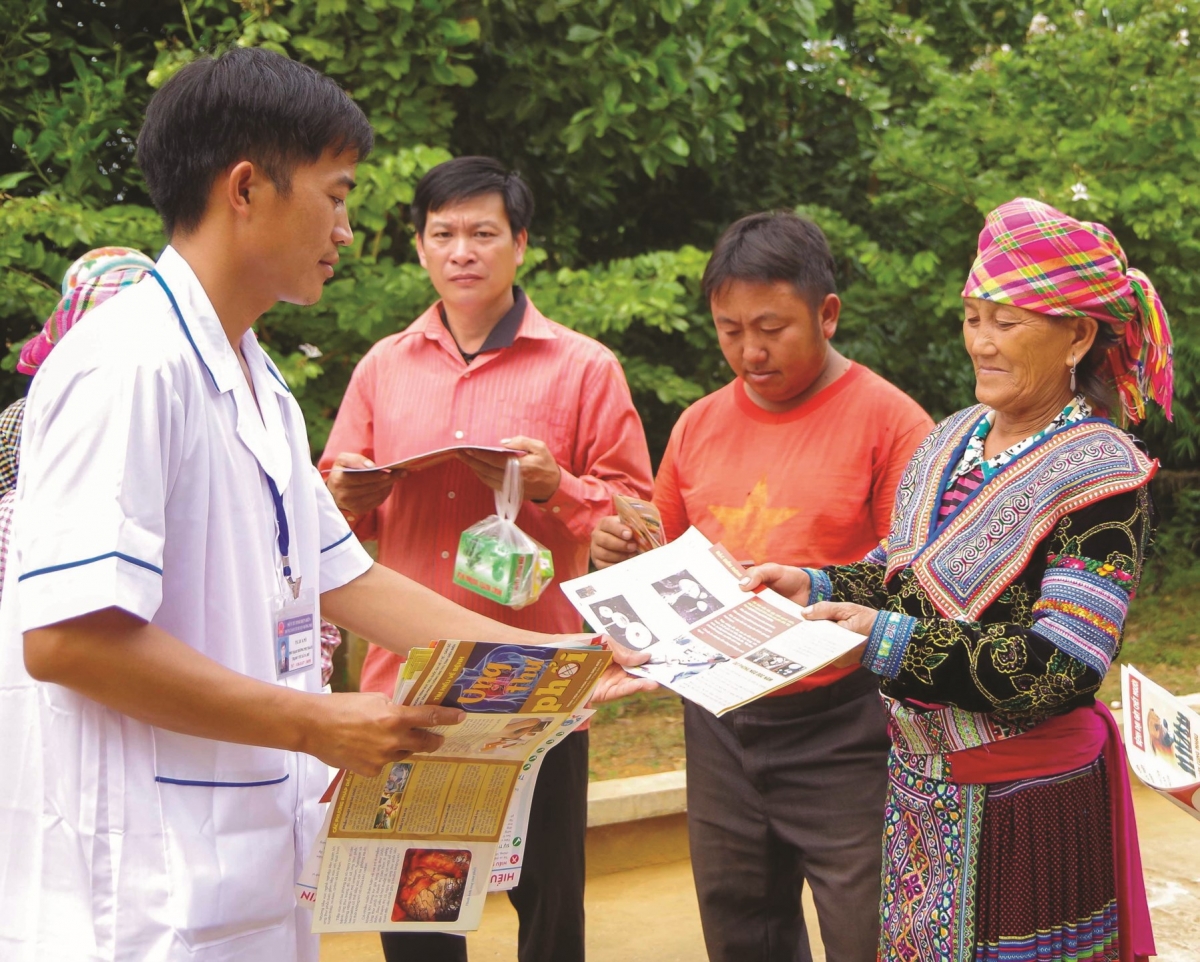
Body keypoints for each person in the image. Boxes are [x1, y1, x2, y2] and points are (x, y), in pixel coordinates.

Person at [0, 48, 648, 962]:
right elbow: (68, 641)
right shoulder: (127, 367)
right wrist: (316, 721)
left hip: (240, 869)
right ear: (245, 188)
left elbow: (352, 581)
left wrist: (568, 660)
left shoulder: (259, 382)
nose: (345, 230)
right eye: (336, 195)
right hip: (133, 898)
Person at [745, 198, 1167, 961]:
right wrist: (815, 585)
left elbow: (1062, 666)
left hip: (1030, 809)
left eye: (1007, 322)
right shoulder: (951, 441)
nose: (982, 342)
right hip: (921, 796)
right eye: (973, 318)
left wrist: (886, 642)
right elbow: (904, 575)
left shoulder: (1103, 477)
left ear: (1077, 335)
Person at [320, 155, 654, 962]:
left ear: (520, 243)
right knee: (416, 917)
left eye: (482, 233)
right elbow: (327, 522)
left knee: (548, 908)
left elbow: (641, 523)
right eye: (443, 235)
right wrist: (349, 497)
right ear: (419, 247)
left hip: (538, 685)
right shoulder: (382, 367)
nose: (462, 251)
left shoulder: (583, 366)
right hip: (410, 683)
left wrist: (556, 486)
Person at [591, 211, 933, 962]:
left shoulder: (894, 425)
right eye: (729, 329)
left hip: (847, 724)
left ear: (827, 314)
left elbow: (917, 582)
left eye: (772, 328)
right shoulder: (698, 425)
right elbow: (663, 557)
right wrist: (613, 552)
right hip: (720, 720)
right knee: (741, 930)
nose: (749, 351)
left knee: (869, 934)